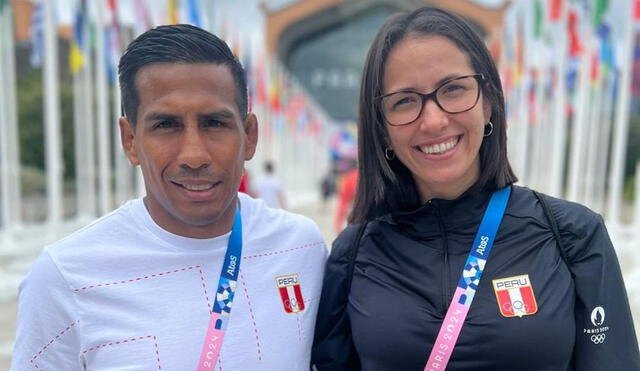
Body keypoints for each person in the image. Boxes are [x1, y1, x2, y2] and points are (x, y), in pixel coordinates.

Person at [312, 7, 639, 371]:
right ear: (382, 131)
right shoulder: (354, 252)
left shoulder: (572, 235)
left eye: (452, 89)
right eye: (405, 100)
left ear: (489, 102)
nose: (434, 120)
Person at [12, 25, 327, 370]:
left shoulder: (302, 247)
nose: (194, 155)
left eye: (214, 123)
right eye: (166, 125)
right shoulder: (65, 277)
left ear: (249, 136)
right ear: (130, 140)